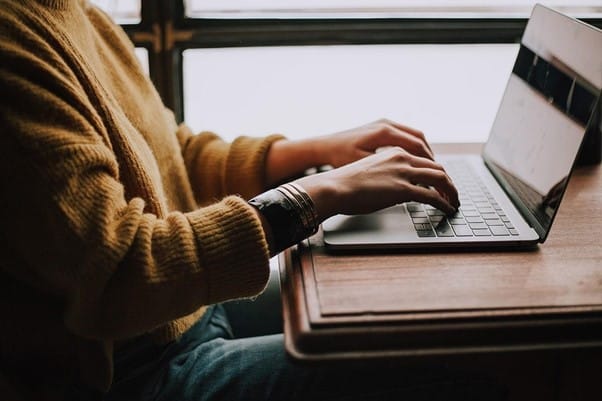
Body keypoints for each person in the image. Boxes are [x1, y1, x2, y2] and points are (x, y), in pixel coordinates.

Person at [0, 1, 506, 401]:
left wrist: (316, 150)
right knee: (457, 367)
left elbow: (171, 154)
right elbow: (122, 273)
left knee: (423, 311)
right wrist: (316, 195)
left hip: (183, 312)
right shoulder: (13, 44)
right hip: (131, 373)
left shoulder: (73, 11)